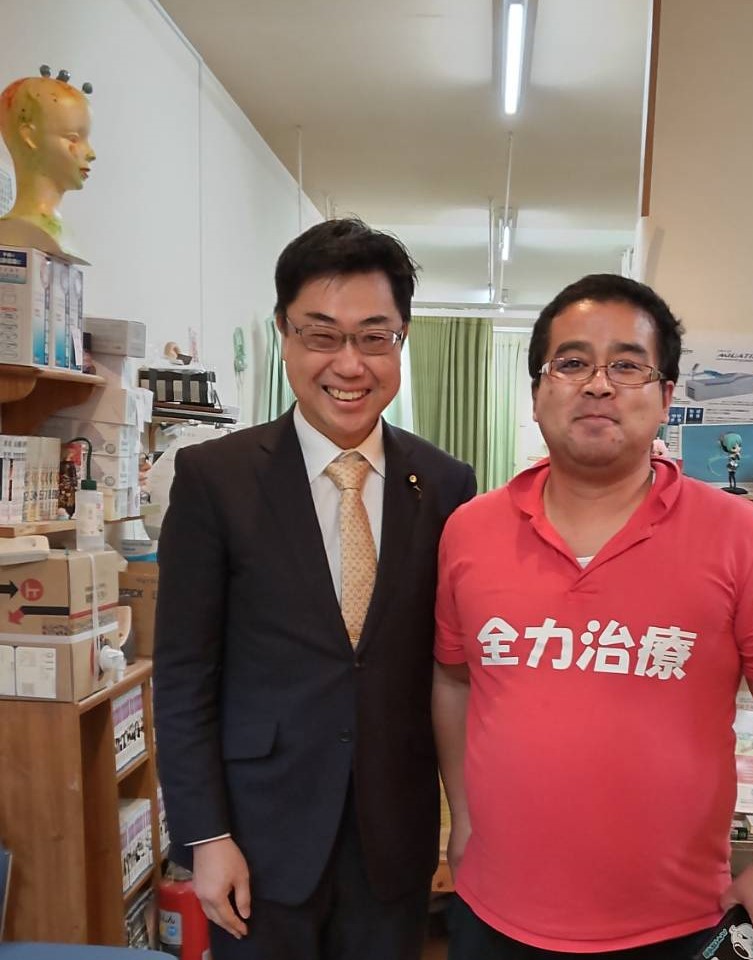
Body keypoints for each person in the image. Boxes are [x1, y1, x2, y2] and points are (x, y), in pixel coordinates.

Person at [433, 273, 753, 960]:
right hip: (494, 909)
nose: (598, 385)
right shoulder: (469, 531)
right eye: (571, 363)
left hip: (674, 920)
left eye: (627, 365)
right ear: (536, 392)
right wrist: (463, 819)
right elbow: (453, 680)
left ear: (666, 396)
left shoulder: (739, 535)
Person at [154, 218, 476, 960]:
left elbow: (453, 667)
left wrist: (464, 816)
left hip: (394, 834)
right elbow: (183, 673)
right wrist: (205, 836)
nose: (349, 364)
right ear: (284, 334)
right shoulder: (215, 479)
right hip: (256, 836)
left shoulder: (446, 485)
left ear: (401, 339)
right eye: (322, 335)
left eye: (374, 337)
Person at [0, 69, 95, 259]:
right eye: (73, 139)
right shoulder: (20, 229)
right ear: (29, 136)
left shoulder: (62, 235)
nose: (91, 154)